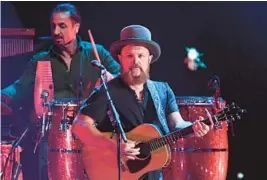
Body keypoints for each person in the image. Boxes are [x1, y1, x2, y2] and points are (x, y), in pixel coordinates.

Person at [72, 25, 212, 180]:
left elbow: (177, 124)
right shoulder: (107, 90)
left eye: (141, 55)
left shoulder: (162, 90)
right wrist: (113, 146)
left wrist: (193, 127)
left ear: (150, 58)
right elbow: (80, 126)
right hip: (115, 172)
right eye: (129, 56)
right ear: (120, 58)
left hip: (153, 173)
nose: (135, 61)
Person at [1, 3, 120, 180]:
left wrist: (111, 78)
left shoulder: (97, 53)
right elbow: (20, 86)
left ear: (76, 27)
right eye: (53, 25)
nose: (56, 31)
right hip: (52, 131)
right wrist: (4, 96)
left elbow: (120, 78)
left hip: (91, 128)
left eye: (62, 26)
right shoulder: (41, 59)